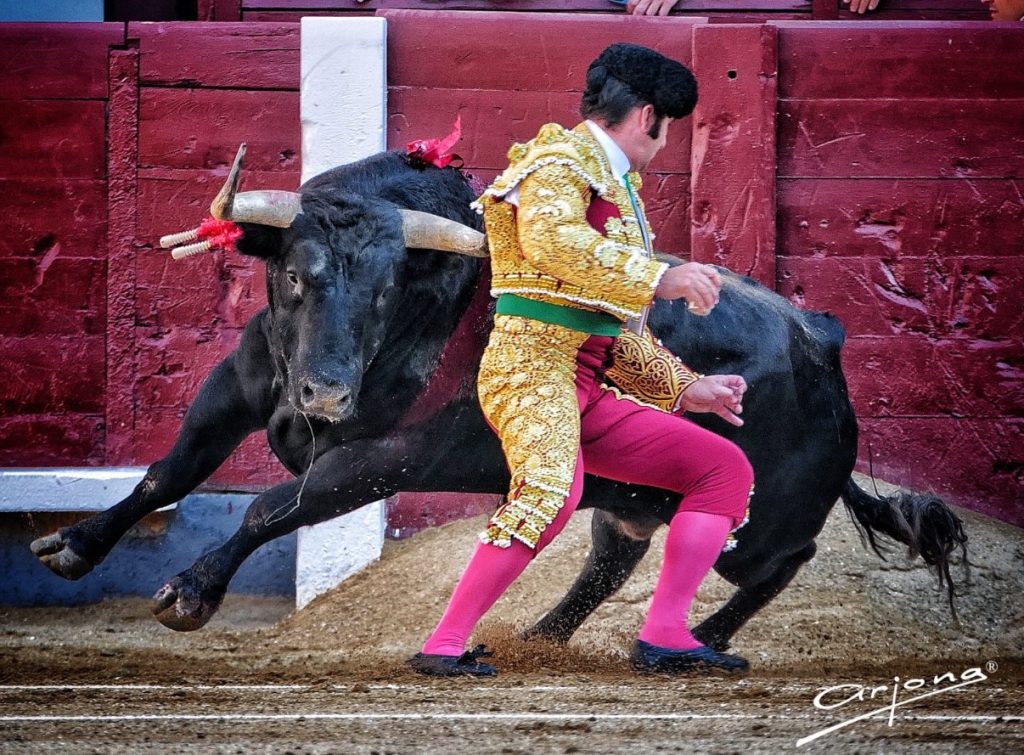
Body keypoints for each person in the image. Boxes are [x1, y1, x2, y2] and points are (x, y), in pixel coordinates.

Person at [408, 43, 755, 678]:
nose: (664, 140)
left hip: (584, 383)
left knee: (723, 470)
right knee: (549, 495)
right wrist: (658, 277)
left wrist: (687, 389)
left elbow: (610, 323)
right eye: (667, 126)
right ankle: (443, 644)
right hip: (530, 370)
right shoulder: (557, 160)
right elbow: (551, 242)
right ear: (648, 115)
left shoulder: (614, 182)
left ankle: (666, 635)